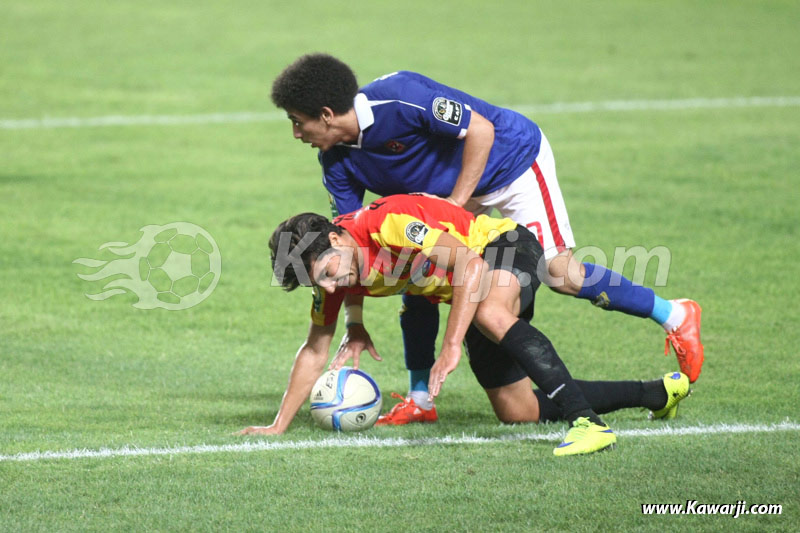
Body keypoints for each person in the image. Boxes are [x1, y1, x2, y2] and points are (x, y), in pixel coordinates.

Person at [269, 53, 703, 426]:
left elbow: (480, 131)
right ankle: (420, 399)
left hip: (508, 163)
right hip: (441, 206)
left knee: (559, 273)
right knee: (416, 272)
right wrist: (355, 322)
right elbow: (347, 240)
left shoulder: (400, 97)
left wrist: (456, 208)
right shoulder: (336, 164)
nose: (295, 134)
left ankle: (673, 313)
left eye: (298, 121)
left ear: (326, 114)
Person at [238, 195, 691, 456]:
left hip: (502, 246)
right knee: (517, 411)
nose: (334, 283)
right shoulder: (329, 272)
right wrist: (279, 425)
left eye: (332, 270)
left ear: (338, 238)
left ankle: (589, 424)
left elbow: (470, 266)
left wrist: (452, 344)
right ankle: (656, 392)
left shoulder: (388, 224)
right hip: (467, 294)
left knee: (493, 314)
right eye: (323, 281)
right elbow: (315, 349)